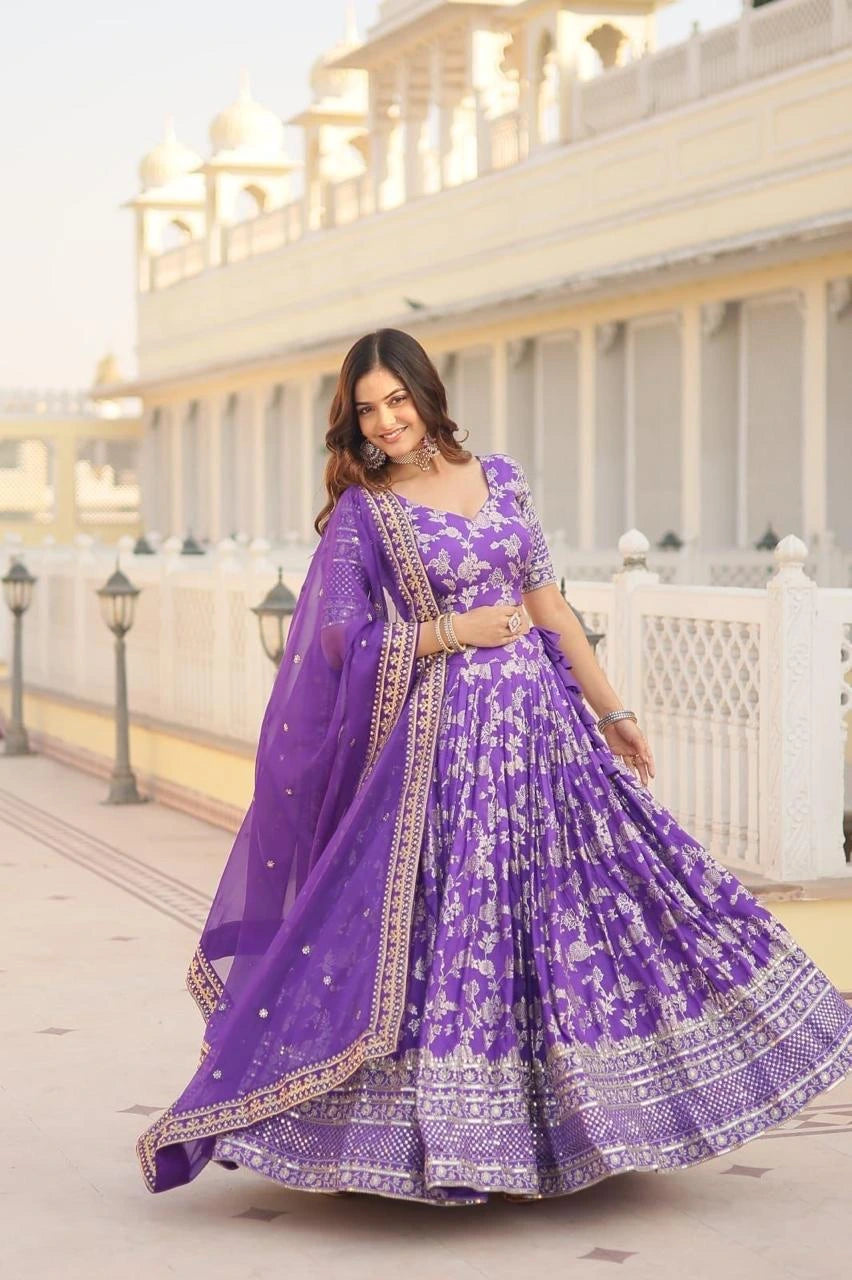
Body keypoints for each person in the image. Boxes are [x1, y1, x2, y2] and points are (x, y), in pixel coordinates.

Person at [137, 328, 852, 1205]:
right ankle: (455, 1141)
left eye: (397, 400)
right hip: (444, 755)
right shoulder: (370, 512)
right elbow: (331, 642)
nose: (387, 422)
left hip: (545, 737)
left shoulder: (503, 479)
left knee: (587, 906)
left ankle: (591, 1119)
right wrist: (448, 632)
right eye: (368, 409)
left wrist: (612, 709)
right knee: (464, 930)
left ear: (425, 395)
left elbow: (550, 607)